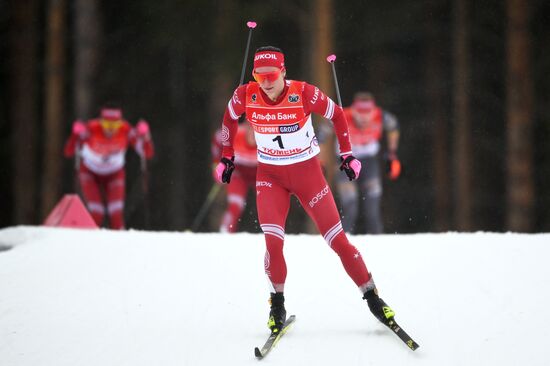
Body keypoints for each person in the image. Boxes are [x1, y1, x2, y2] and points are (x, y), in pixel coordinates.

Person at [214, 46, 398, 334]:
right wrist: (227, 156)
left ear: (283, 72)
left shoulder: (303, 93)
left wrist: (347, 154)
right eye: (259, 75)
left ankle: (374, 298)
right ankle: (277, 304)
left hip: (308, 174)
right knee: (273, 242)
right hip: (270, 176)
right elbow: (228, 119)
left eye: (271, 75)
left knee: (338, 241)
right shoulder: (244, 95)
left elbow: (337, 115)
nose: (266, 82)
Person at [63, 106, 154, 229]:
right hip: (90, 172)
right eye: (106, 125)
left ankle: (120, 242)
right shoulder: (91, 129)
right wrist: (75, 135)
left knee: (115, 212)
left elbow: (147, 153)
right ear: (100, 122)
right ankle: (89, 240)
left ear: (120, 123)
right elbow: (69, 151)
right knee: (97, 212)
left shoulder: (126, 130)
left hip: (114, 173)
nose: (111, 129)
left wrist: (146, 137)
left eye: (115, 125)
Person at [335, 91, 401, 234]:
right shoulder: (343, 115)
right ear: (353, 110)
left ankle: (377, 238)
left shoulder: (381, 116)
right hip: (346, 161)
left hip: (369, 161)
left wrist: (392, 154)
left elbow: (394, 127)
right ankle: (343, 239)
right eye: (360, 112)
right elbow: (321, 133)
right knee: (350, 203)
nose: (364, 116)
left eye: (368, 112)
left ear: (373, 110)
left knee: (372, 202)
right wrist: (318, 159)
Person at [211, 121, 257, 232]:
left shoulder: (267, 138)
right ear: (246, 127)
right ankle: (226, 231)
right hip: (238, 173)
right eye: (250, 130)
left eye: (256, 131)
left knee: (267, 205)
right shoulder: (236, 133)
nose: (253, 135)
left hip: (259, 173)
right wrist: (218, 164)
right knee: (236, 204)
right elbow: (217, 139)